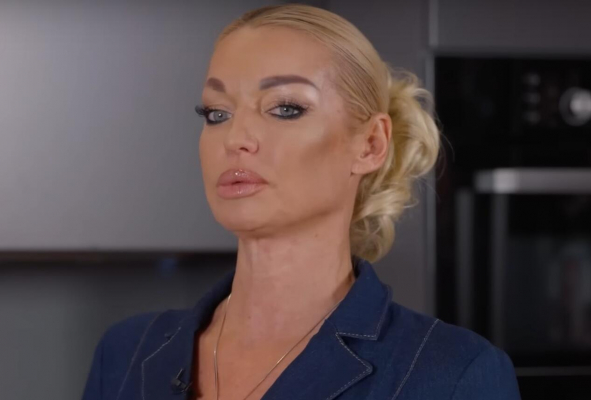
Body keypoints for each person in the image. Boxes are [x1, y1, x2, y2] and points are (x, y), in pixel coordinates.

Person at [82, 4, 521, 400]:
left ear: (370, 144)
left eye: (285, 109)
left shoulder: (452, 375)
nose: (235, 139)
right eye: (217, 113)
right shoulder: (126, 354)